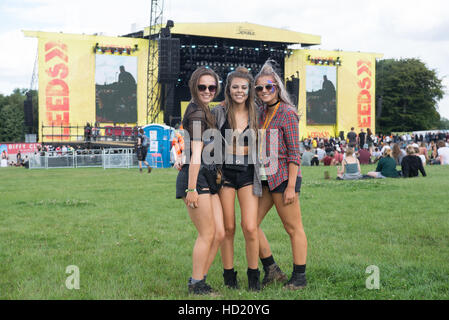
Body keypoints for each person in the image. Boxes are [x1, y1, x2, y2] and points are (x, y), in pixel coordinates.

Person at [255, 60, 308, 290]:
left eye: (269, 87)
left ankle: (299, 278)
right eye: (260, 88)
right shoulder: (260, 113)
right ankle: (272, 269)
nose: (264, 91)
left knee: (293, 228)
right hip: (264, 179)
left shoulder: (287, 113)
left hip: (284, 179)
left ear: (277, 87)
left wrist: (291, 186)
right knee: (249, 225)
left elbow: (294, 154)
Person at [174, 67, 225, 295]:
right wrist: (191, 188)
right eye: (202, 86)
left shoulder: (206, 110)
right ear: (194, 86)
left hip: (208, 176)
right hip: (196, 177)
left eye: (211, 87)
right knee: (207, 233)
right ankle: (197, 284)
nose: (207, 90)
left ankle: (200, 279)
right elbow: (195, 153)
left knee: (220, 233)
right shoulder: (196, 112)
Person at [211, 67, 261, 291]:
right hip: (225, 174)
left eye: (244, 87)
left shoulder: (258, 113)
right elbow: (203, 138)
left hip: (249, 173)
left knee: (250, 227)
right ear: (228, 90)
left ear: (250, 90)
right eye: (235, 87)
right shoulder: (218, 112)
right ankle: (229, 277)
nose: (239, 91)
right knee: (228, 227)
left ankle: (254, 277)